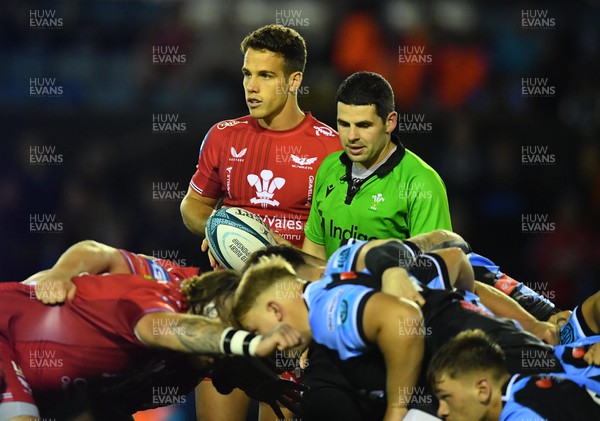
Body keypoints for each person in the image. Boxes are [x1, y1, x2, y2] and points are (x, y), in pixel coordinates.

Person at [2, 263, 304, 421]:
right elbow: (175, 331)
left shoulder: (175, 369)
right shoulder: (157, 304)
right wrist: (250, 345)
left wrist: (259, 382)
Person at [180, 24, 340, 249]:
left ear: (294, 81)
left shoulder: (331, 148)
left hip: (298, 280)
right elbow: (193, 203)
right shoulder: (222, 136)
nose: (252, 87)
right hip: (231, 282)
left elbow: (341, 238)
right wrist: (220, 228)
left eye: (265, 76)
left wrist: (277, 252)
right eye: (247, 74)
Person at [302, 71, 452, 259]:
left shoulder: (422, 183)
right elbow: (314, 253)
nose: (351, 137)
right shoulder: (328, 168)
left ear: (390, 122)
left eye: (364, 125)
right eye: (344, 124)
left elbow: (436, 269)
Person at [428, 329, 600, 421]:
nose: (441, 411)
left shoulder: (524, 412)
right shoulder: (526, 387)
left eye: (446, 397)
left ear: (482, 389)